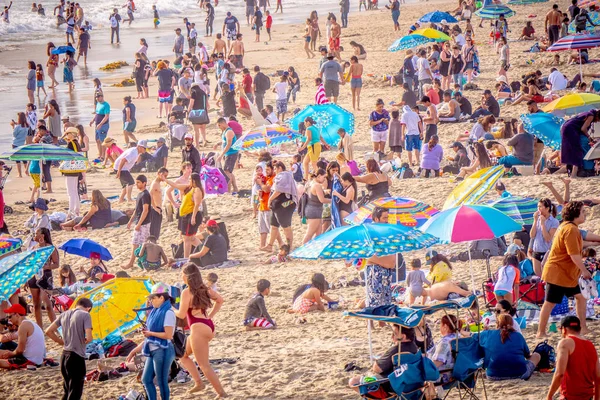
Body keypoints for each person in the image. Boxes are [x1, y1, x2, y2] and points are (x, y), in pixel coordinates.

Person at [537, 201, 591, 338]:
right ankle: (540, 332)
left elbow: (578, 244)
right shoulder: (570, 229)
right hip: (558, 273)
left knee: (581, 298)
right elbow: (573, 254)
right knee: (549, 303)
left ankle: (583, 328)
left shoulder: (567, 227)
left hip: (567, 274)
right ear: (575, 214)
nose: (584, 214)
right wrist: (584, 270)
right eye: (582, 212)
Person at [173, 263, 226, 396]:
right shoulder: (205, 289)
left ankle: (221, 393)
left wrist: (171, 309)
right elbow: (220, 300)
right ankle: (199, 383)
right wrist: (210, 316)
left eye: (182, 274)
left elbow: (181, 314)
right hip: (207, 325)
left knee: (204, 365)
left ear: (187, 276)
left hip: (198, 329)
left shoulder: (187, 291)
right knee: (183, 355)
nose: (181, 277)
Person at [126, 283, 175, 400]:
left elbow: (168, 335)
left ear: (162, 297)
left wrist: (151, 333)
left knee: (162, 381)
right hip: (153, 349)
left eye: (153, 298)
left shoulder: (168, 312)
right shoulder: (155, 311)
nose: (150, 300)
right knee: (146, 379)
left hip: (163, 350)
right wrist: (148, 331)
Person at [348, 325, 419, 397]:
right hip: (412, 387)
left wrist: (384, 355)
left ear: (403, 337)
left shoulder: (396, 350)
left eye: (394, 334)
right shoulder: (415, 348)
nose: (392, 337)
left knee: (353, 381)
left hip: (389, 388)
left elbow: (377, 369)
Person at [45, 297, 92, 400]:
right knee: (75, 392)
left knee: (67, 391)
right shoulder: (85, 315)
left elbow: (48, 331)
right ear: (88, 308)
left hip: (64, 355)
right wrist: (86, 339)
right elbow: (89, 338)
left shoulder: (64, 314)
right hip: (76, 356)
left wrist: (60, 342)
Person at [546, 316, 600, 400]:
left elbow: (559, 374)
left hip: (570, 396)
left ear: (563, 329)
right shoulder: (591, 346)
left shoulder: (565, 343)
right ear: (580, 329)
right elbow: (598, 376)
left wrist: (549, 396)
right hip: (588, 396)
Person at [478, 314, 541, 380]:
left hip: (493, 376)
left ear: (497, 324)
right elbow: (527, 355)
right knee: (536, 355)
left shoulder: (488, 334)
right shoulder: (518, 335)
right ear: (512, 324)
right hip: (520, 374)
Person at [0, 304, 45, 369]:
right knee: (7, 344)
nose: (9, 320)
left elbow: (20, 350)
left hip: (30, 361)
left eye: (10, 317)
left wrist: (11, 354)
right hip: (36, 358)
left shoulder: (23, 326)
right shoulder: (28, 323)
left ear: (17, 315)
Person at [265, 161, 298, 250]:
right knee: (274, 226)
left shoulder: (284, 175)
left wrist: (270, 199)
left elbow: (279, 190)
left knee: (286, 227)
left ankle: (289, 247)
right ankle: (270, 245)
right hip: (278, 204)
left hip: (284, 204)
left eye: (276, 169)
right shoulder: (284, 175)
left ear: (280, 168)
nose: (275, 171)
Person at [122, 175, 151, 269]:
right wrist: (131, 221)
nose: (136, 184)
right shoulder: (140, 194)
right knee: (135, 243)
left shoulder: (146, 194)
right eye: (136, 182)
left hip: (144, 223)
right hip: (139, 222)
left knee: (143, 244)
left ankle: (143, 263)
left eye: (138, 182)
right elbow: (137, 210)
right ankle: (131, 263)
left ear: (144, 183)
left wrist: (139, 224)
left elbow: (145, 210)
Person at [560, 110, 600, 177]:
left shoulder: (586, 113)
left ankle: (573, 173)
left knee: (572, 151)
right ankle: (574, 174)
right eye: (598, 119)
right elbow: (583, 129)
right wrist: (589, 137)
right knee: (577, 151)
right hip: (571, 130)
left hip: (566, 127)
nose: (597, 121)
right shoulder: (591, 116)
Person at [529, 198, 559, 276]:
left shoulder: (554, 221)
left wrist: (543, 224)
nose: (539, 209)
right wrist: (535, 221)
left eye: (540, 207)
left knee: (547, 275)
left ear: (547, 208)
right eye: (538, 207)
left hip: (546, 251)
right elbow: (532, 235)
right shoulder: (537, 219)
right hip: (536, 250)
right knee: (538, 274)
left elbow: (548, 238)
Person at [302, 169, 330, 243]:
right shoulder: (317, 185)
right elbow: (322, 200)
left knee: (318, 234)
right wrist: (332, 200)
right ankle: (302, 252)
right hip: (315, 211)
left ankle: (313, 251)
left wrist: (324, 192)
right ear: (319, 176)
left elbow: (313, 194)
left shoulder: (309, 183)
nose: (324, 180)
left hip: (310, 209)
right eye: (324, 177)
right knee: (309, 234)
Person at [298, 116, 329, 181]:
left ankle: (322, 178)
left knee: (314, 163)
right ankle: (305, 178)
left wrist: (302, 148)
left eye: (305, 122)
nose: (304, 124)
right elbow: (321, 138)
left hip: (313, 146)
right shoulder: (316, 128)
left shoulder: (309, 128)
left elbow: (308, 139)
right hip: (315, 146)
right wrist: (326, 144)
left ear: (308, 122)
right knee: (305, 162)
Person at [216, 118, 239, 194]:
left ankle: (228, 190)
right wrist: (218, 144)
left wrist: (221, 154)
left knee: (227, 172)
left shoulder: (229, 131)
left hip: (231, 153)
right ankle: (235, 188)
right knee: (229, 171)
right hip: (228, 154)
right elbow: (224, 142)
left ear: (222, 123)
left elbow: (229, 144)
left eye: (219, 125)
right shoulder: (225, 132)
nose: (219, 127)